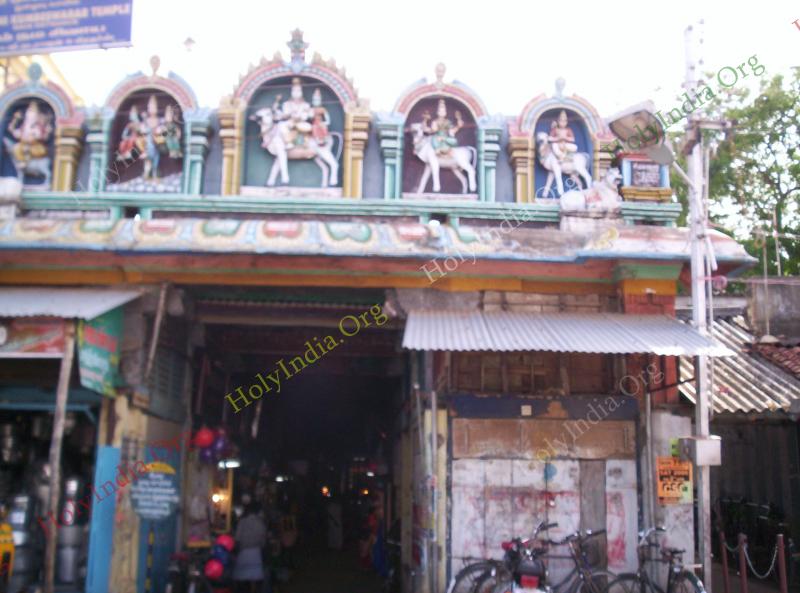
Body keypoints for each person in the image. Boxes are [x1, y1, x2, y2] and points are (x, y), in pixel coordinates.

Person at [233, 502, 267, 593]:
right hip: (256, 553)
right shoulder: (260, 523)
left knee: (242, 577)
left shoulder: (242, 522)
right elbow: (263, 540)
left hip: (243, 553)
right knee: (254, 578)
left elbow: (237, 538)